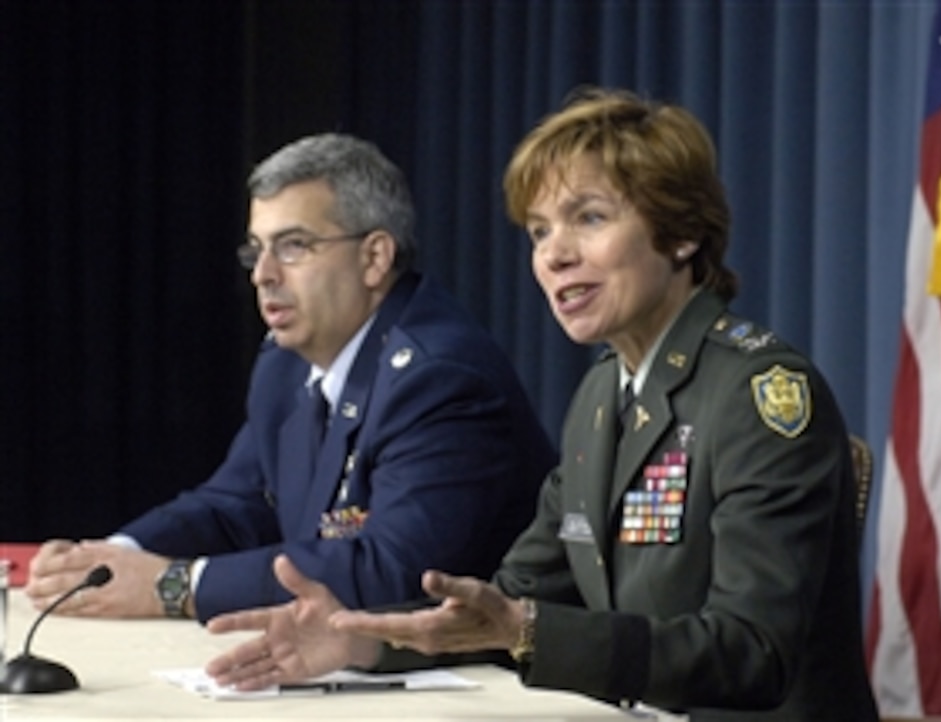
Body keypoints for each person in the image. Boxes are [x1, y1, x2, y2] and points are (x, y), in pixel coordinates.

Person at [204, 90, 878, 721]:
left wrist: (530, 631)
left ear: (681, 234)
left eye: (589, 218)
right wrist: (361, 643)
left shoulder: (759, 396)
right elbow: (506, 601)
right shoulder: (600, 396)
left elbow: (751, 654)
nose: (554, 254)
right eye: (537, 230)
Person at [25, 133, 556, 623]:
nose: (263, 274)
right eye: (257, 251)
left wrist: (173, 585)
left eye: (293, 246)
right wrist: (111, 558)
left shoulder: (439, 379)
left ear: (375, 257)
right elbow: (235, 507)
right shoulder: (286, 363)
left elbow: (392, 571)